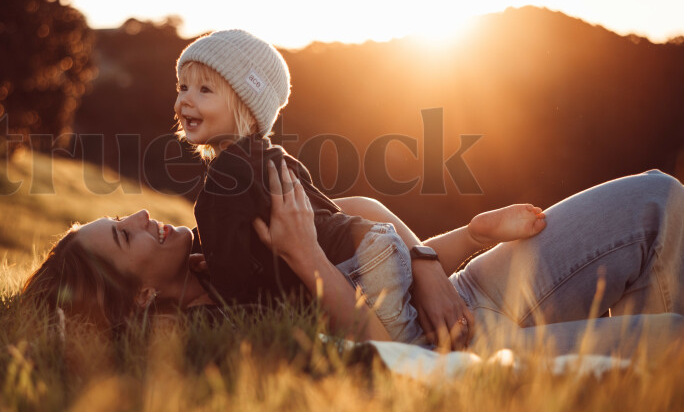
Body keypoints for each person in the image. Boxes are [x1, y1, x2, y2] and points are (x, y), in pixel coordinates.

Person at [21, 164, 684, 358]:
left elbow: (359, 211)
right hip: (464, 354)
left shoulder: (218, 250)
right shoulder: (215, 339)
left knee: (656, 198)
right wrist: (305, 254)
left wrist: (435, 256)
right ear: (136, 298)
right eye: (125, 236)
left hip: (459, 288)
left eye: (124, 217)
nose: (140, 217)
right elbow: (386, 349)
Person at [172, 29, 546, 345]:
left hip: (355, 273)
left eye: (205, 90)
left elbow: (235, 296)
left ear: (245, 106)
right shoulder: (276, 158)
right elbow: (327, 216)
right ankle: (474, 234)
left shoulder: (222, 180)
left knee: (414, 349)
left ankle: (469, 340)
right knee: (408, 315)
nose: (185, 99)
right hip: (379, 246)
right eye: (183, 86)